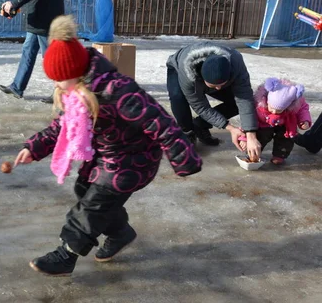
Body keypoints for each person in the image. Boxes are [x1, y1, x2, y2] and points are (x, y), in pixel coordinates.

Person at [13, 16, 202, 277]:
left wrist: (184, 158)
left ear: (75, 73)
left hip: (134, 161)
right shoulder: (76, 94)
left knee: (94, 205)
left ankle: (66, 254)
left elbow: (160, 121)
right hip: (106, 158)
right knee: (84, 190)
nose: (56, 85)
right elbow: (61, 127)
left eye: (59, 79)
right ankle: (120, 233)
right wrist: (34, 147)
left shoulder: (118, 90)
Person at [166, 42, 261, 160]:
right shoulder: (187, 73)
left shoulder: (236, 64)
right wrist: (229, 128)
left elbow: (245, 99)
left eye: (222, 85)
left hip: (217, 77)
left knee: (238, 102)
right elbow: (201, 106)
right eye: (213, 86)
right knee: (178, 98)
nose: (218, 89)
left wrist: (251, 134)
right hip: (177, 68)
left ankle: (200, 125)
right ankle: (188, 133)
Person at [247, 77, 311, 165]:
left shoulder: (293, 101)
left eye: (279, 110)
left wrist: (304, 120)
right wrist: (244, 137)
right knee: (262, 135)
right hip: (263, 124)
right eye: (272, 108)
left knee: (286, 137)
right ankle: (254, 152)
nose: (274, 112)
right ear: (267, 101)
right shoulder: (258, 103)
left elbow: (303, 109)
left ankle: (280, 155)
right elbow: (248, 119)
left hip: (285, 123)